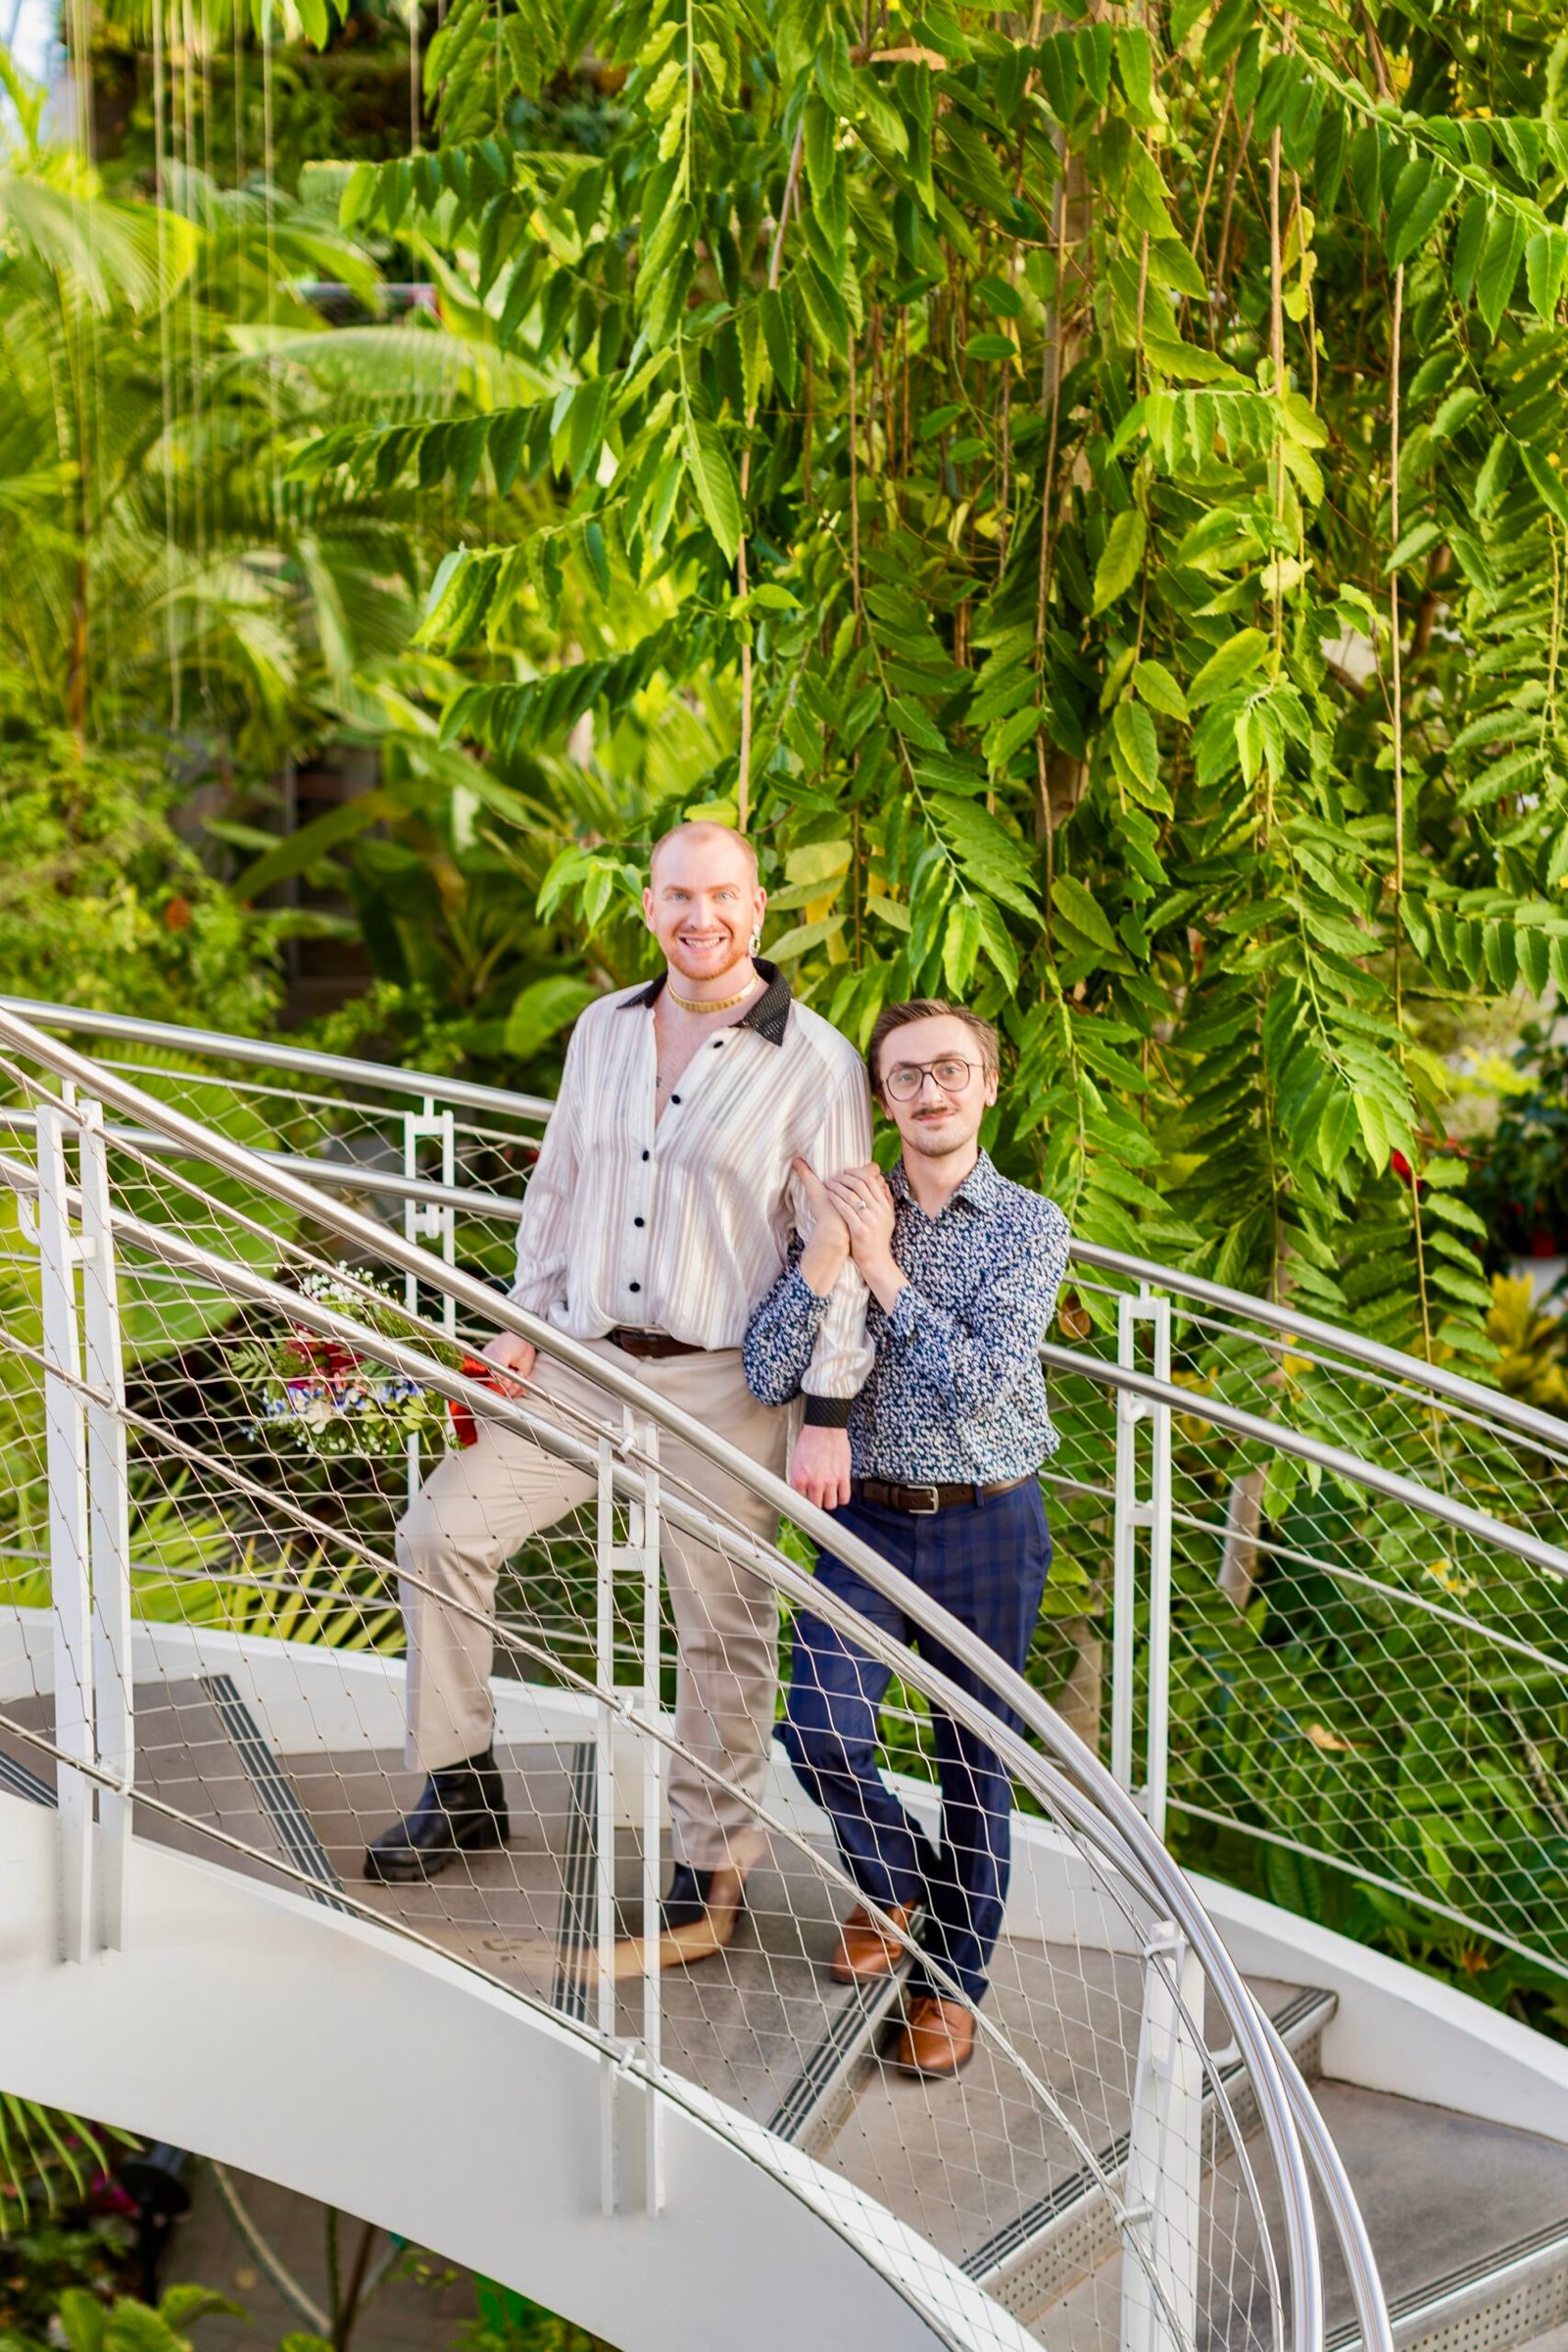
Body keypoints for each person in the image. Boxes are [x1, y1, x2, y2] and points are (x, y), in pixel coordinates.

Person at [367, 820, 874, 1969]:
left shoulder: (817, 1061)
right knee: (442, 1530)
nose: (703, 917)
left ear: (757, 909)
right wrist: (519, 1322)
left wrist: (828, 1412)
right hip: (583, 1361)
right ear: (648, 907)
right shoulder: (601, 1028)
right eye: (679, 895)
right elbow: (555, 1190)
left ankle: (711, 1868)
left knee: (724, 1624)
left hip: (723, 1382)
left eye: (725, 895)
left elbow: (839, 1246)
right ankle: (461, 1782)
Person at [743, 999, 1069, 2077]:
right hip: (866, 1517)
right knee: (819, 1731)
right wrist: (829, 1255)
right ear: (882, 1098)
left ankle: (950, 1988)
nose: (931, 1091)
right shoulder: (848, 1203)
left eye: (950, 1070)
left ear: (988, 1084)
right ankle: (896, 1884)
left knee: (973, 1761)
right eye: (907, 1076)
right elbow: (766, 1370)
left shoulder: (1028, 1226)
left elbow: (981, 1385)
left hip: (988, 1519)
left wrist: (884, 1267)